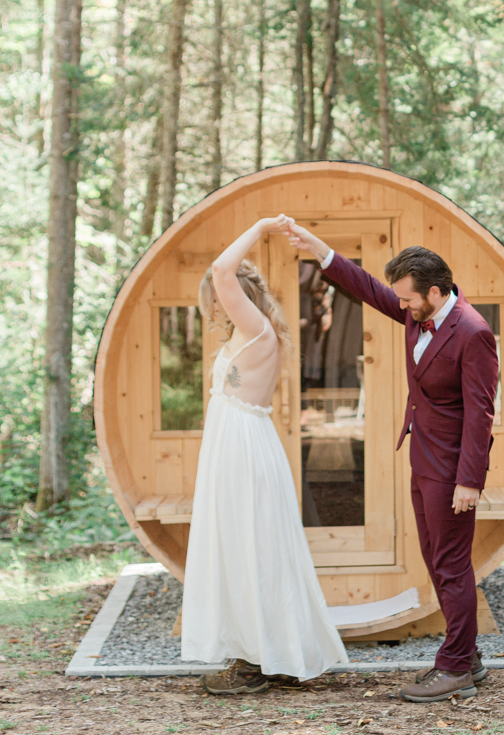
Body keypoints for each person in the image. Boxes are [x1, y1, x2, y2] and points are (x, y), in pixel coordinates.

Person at [286, 221, 498, 703]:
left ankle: (455, 668)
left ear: (437, 292)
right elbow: (368, 288)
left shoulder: (473, 332)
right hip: (422, 458)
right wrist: (320, 250)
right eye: (401, 299)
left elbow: (481, 414)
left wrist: (470, 481)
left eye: (408, 299)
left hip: (451, 471)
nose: (400, 305)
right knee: (434, 558)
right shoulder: (415, 312)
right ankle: (467, 653)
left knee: (451, 565)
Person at [181, 215, 347, 695]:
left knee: (249, 544)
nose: (212, 305)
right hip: (239, 443)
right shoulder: (249, 332)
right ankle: (267, 653)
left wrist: (258, 227)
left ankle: (256, 659)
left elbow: (220, 269)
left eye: (215, 297)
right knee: (246, 545)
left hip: (243, 447)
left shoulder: (254, 328)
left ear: (232, 295)